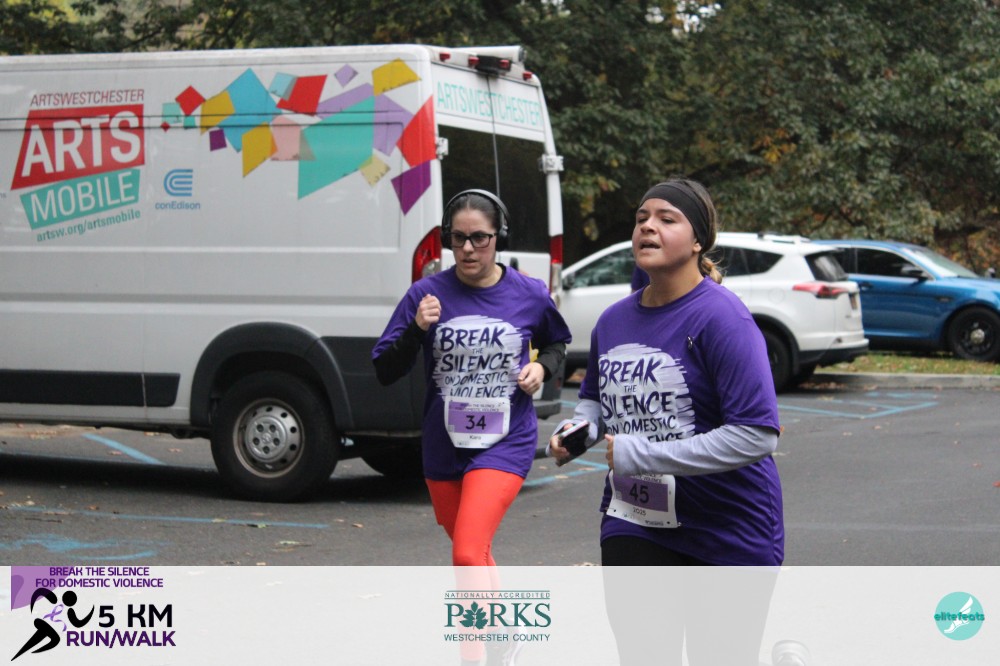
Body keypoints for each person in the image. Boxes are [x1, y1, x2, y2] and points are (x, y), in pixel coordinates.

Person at [549, 178, 783, 666]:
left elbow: (756, 434)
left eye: (666, 219)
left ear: (698, 241)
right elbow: (593, 400)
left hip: (727, 530)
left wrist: (643, 454)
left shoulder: (723, 318)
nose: (648, 227)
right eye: (641, 218)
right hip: (636, 520)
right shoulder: (614, 320)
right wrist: (579, 431)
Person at [373, 189, 571, 666]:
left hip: (505, 441)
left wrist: (541, 368)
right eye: (457, 238)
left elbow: (557, 345)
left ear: (498, 238)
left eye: (479, 238)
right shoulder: (426, 295)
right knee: (474, 549)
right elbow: (384, 368)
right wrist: (417, 329)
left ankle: (473, 658)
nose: (467, 249)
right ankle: (502, 640)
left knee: (466, 552)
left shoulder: (528, 293)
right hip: (444, 445)